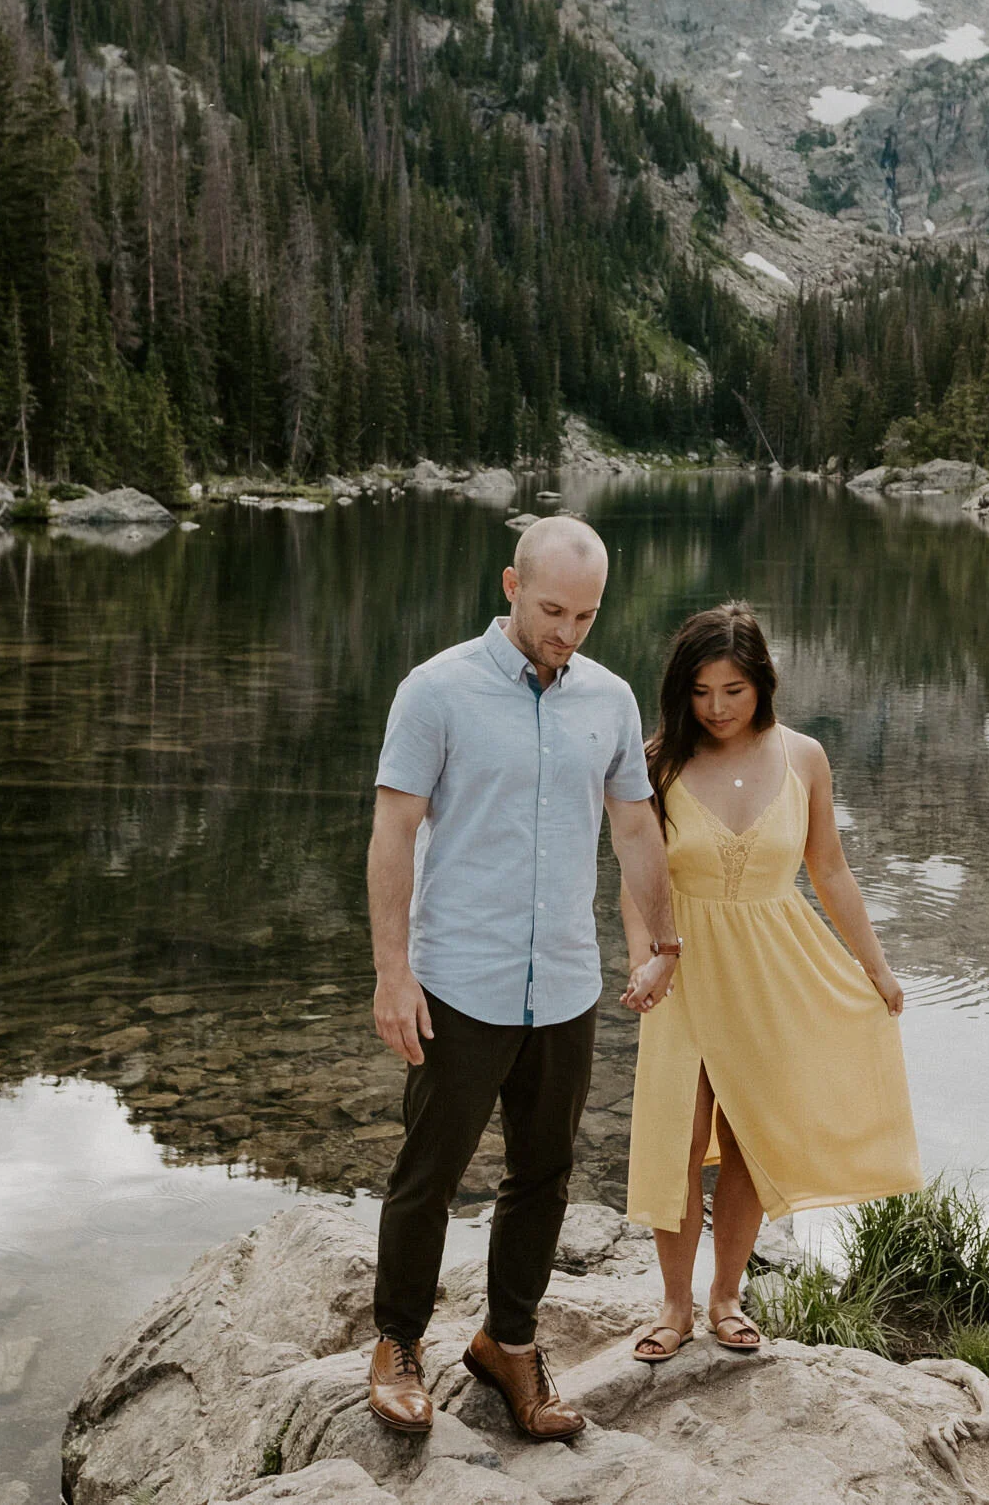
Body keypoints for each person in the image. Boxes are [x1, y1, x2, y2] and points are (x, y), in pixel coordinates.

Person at [365, 515, 678, 1440]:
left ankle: (508, 1342)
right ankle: (396, 1343)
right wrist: (393, 972)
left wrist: (661, 941)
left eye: (585, 615)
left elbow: (632, 828)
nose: (567, 632)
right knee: (430, 1170)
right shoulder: (437, 691)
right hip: (460, 977)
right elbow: (392, 833)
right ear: (510, 586)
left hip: (568, 986)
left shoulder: (610, 700)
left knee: (543, 1175)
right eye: (552, 610)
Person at [620, 602, 921, 1362]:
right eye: (700, 691)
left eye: (732, 690)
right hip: (684, 964)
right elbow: (635, 877)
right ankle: (673, 1305)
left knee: (751, 1137)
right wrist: (643, 959)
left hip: (775, 967)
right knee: (679, 1141)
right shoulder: (658, 761)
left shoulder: (805, 757)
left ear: (762, 683)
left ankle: (727, 1299)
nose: (716, 708)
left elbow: (831, 870)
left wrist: (876, 969)